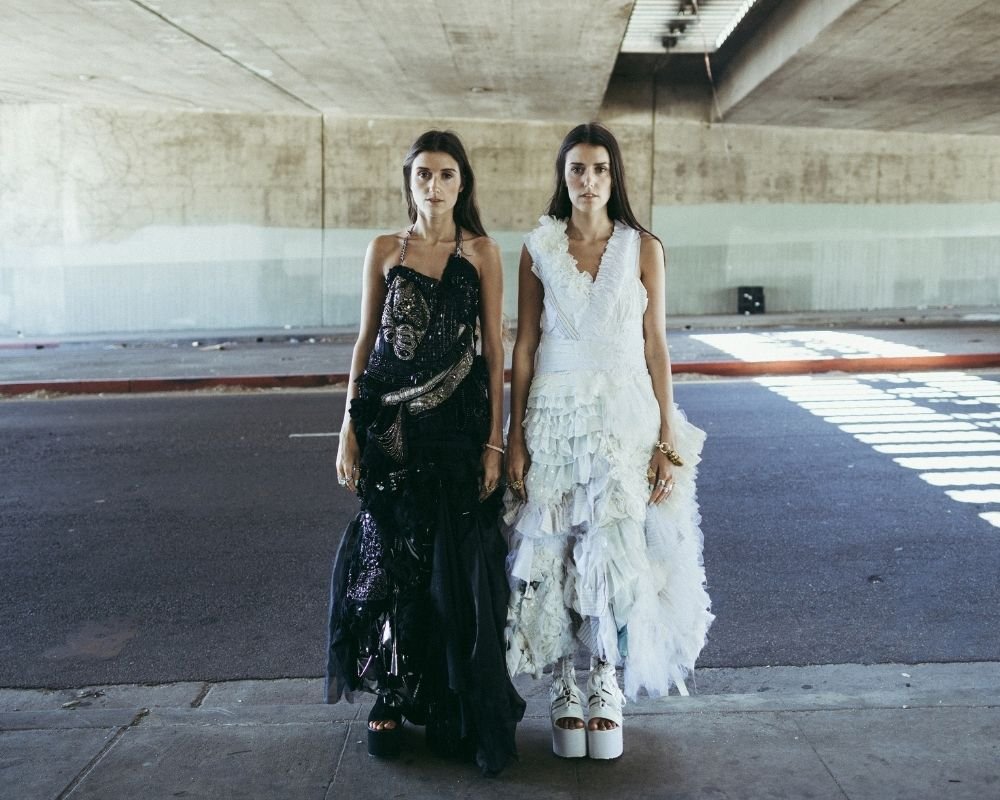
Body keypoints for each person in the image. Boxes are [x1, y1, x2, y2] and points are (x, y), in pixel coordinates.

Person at [504, 122, 714, 760]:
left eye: (598, 169)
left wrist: (667, 435)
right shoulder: (538, 246)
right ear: (562, 176)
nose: (587, 180)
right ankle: (564, 683)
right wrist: (513, 437)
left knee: (616, 549)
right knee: (557, 546)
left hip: (627, 416)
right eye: (576, 169)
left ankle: (605, 681)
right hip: (555, 415)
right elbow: (525, 342)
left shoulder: (642, 246)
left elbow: (656, 344)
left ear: (612, 176)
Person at [326, 130, 524, 776]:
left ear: (461, 183)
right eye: (422, 176)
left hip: (457, 432)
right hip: (389, 430)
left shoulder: (484, 253)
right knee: (391, 560)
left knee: (454, 566)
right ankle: (388, 692)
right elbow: (364, 344)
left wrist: (496, 440)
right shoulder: (385, 250)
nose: (432, 186)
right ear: (409, 182)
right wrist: (347, 430)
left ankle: (443, 697)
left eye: (444, 175)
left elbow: (494, 351)